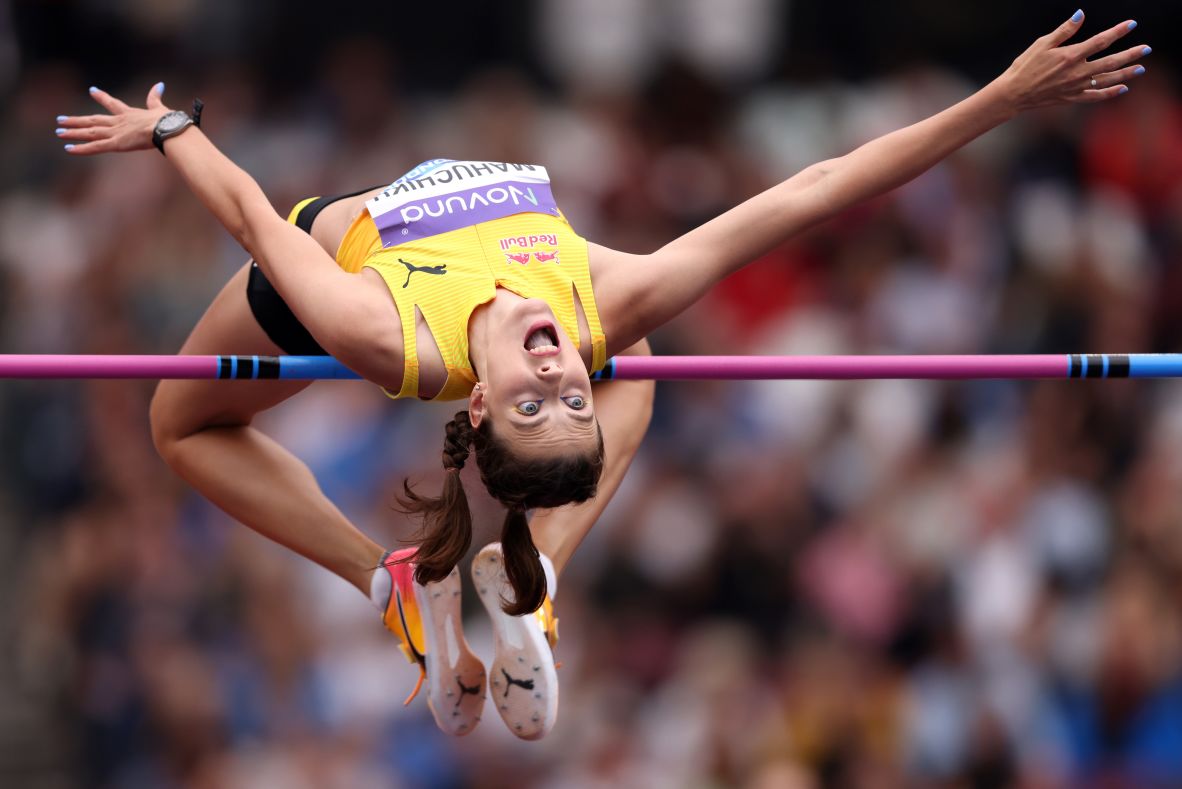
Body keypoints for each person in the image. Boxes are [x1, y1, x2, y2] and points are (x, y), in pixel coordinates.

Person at [56, 11, 1147, 740]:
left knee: (178, 427)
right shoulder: (600, 308)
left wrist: (170, 129)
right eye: (568, 392)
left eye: (535, 398)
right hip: (447, 279)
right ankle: (526, 584)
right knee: (644, 361)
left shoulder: (381, 336)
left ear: (480, 402)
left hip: (322, 264)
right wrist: (1000, 100)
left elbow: (251, 213)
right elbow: (816, 189)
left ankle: (389, 578)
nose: (554, 366)